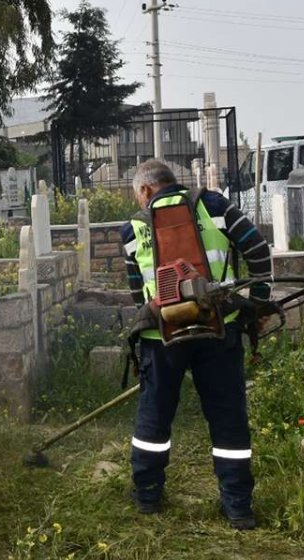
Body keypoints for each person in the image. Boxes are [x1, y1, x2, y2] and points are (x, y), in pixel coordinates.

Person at [120, 159, 273, 530]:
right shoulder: (217, 206)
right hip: (219, 329)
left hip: (163, 338)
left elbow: (136, 291)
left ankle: (147, 497)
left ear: (145, 191)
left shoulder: (132, 229)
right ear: (174, 183)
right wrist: (260, 303)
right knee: (227, 417)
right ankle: (238, 507)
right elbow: (258, 251)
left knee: (155, 417)